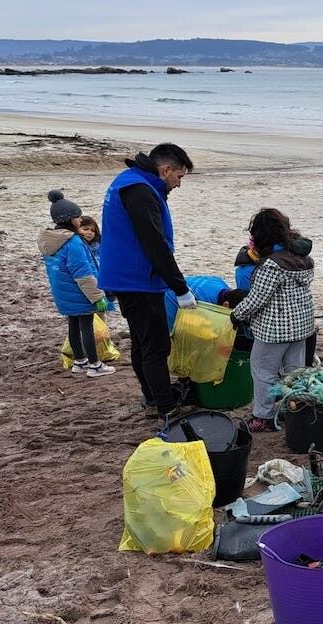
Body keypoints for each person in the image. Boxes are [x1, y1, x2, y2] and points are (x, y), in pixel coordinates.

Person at [98, 143, 195, 420]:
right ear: (165, 170)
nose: (178, 184)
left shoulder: (129, 181)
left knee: (142, 342)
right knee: (155, 345)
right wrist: (180, 288)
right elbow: (154, 244)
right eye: (179, 177)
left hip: (125, 276)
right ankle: (164, 406)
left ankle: (153, 395)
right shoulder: (140, 190)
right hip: (137, 279)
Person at [228, 209, 315, 433]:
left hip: (273, 331)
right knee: (294, 372)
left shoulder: (271, 265)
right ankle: (293, 409)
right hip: (301, 327)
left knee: (262, 371)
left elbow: (257, 299)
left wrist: (236, 315)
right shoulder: (302, 259)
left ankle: (263, 417)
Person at [39, 190, 115, 378]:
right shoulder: (73, 242)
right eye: (77, 217)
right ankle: (95, 365)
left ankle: (79, 362)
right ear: (69, 219)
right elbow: (82, 274)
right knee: (86, 327)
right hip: (79, 292)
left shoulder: (49, 240)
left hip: (62, 292)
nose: (80, 220)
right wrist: (98, 297)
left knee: (73, 325)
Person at [162, 275, 232, 333]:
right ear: (226, 305)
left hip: (178, 284)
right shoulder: (206, 303)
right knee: (173, 334)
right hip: (170, 298)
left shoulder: (221, 283)